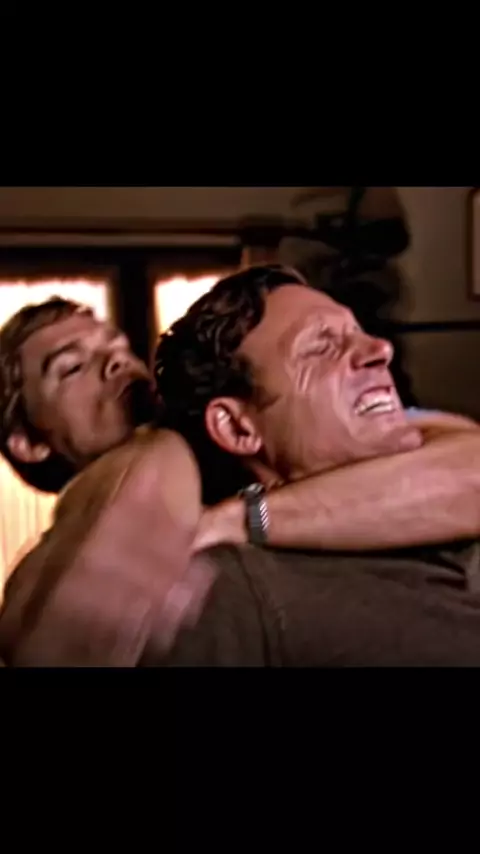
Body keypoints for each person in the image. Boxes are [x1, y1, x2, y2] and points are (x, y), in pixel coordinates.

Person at [2, 276, 480, 665]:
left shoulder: (325, 455)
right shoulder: (209, 587)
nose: (115, 363)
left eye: (116, 345)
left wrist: (240, 517)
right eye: (71, 368)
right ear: (28, 442)